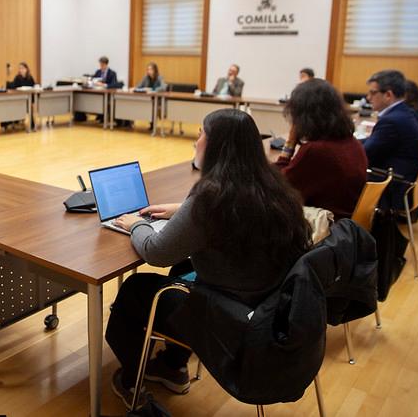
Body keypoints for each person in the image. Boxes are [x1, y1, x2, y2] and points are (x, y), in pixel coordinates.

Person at [105, 109, 311, 408]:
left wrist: (137, 224)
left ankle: (131, 379)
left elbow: (156, 252)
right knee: (184, 265)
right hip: (263, 306)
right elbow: (229, 217)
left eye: (201, 133)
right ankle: (172, 367)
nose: (195, 141)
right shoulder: (272, 186)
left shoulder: (211, 197)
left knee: (134, 290)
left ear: (217, 146)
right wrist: (183, 209)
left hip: (229, 318)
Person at [275, 79, 368, 219]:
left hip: (325, 227)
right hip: (348, 225)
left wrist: (289, 143)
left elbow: (279, 187)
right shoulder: (352, 143)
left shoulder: (317, 151)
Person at [362, 70, 418, 210]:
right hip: (409, 178)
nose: (368, 97)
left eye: (373, 93)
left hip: (395, 184)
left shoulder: (391, 121)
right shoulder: (407, 112)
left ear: (388, 95)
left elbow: (365, 155)